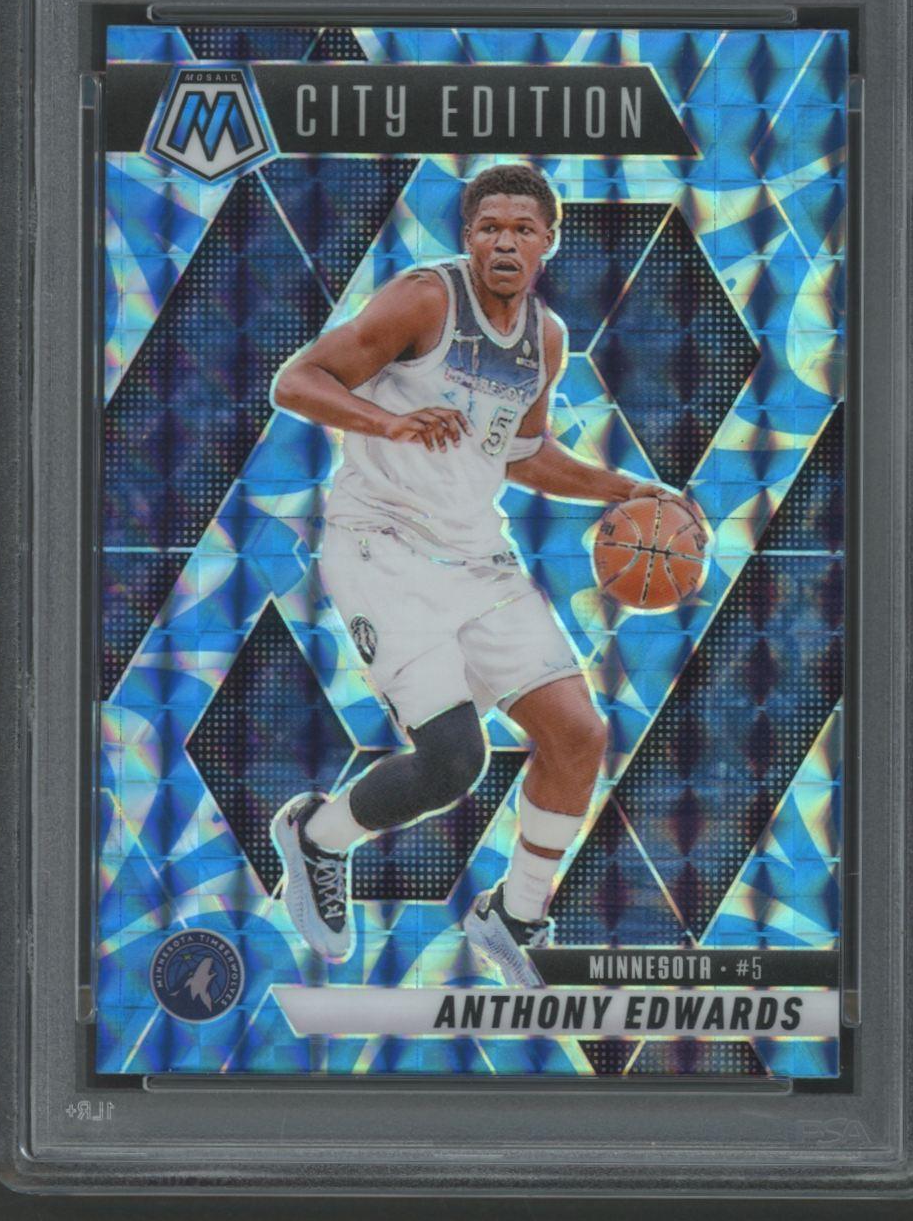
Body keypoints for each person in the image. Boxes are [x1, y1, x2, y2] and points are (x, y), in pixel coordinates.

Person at [270, 162, 682, 987]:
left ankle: (513, 915)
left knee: (578, 733)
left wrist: (626, 489)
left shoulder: (546, 336)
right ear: (467, 238)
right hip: (379, 545)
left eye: (522, 228)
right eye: (489, 226)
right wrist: (387, 420)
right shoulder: (425, 298)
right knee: (454, 761)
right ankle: (315, 836)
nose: (504, 240)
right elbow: (296, 380)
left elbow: (522, 455)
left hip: (473, 553)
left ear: (546, 242)